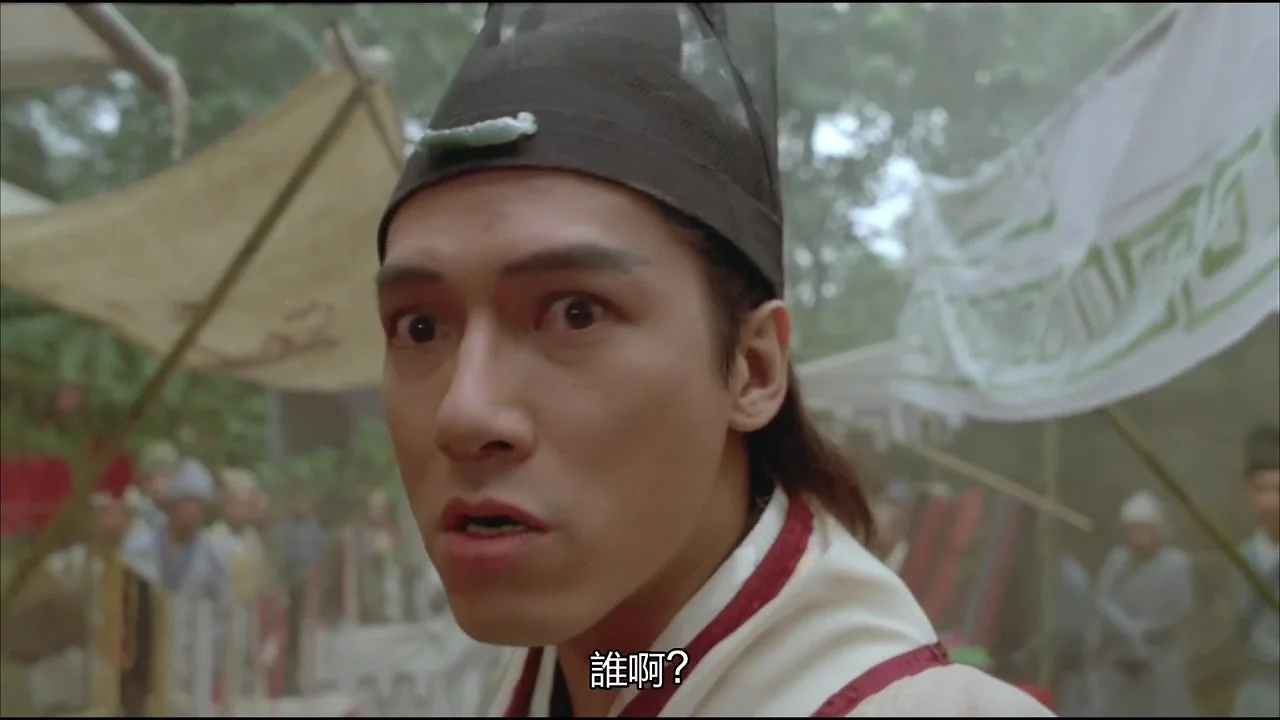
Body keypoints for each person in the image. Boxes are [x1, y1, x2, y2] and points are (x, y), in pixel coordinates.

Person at [374, 4, 1052, 716]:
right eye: (420, 326)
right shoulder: (584, 669)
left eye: (576, 313)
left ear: (754, 369)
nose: (464, 413)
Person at [1091, 490, 1194, 717]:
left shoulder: (1176, 564)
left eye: (1145, 528)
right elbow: (1103, 600)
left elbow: (1178, 610)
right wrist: (1124, 628)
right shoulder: (1117, 560)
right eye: (1134, 528)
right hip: (1119, 658)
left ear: (1159, 530)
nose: (1139, 535)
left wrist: (1142, 629)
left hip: (1159, 656)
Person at [1230, 424, 1279, 718]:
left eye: (1278, 490)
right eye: (1260, 489)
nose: (1269, 502)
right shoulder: (1243, 554)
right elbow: (1242, 625)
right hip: (1257, 692)